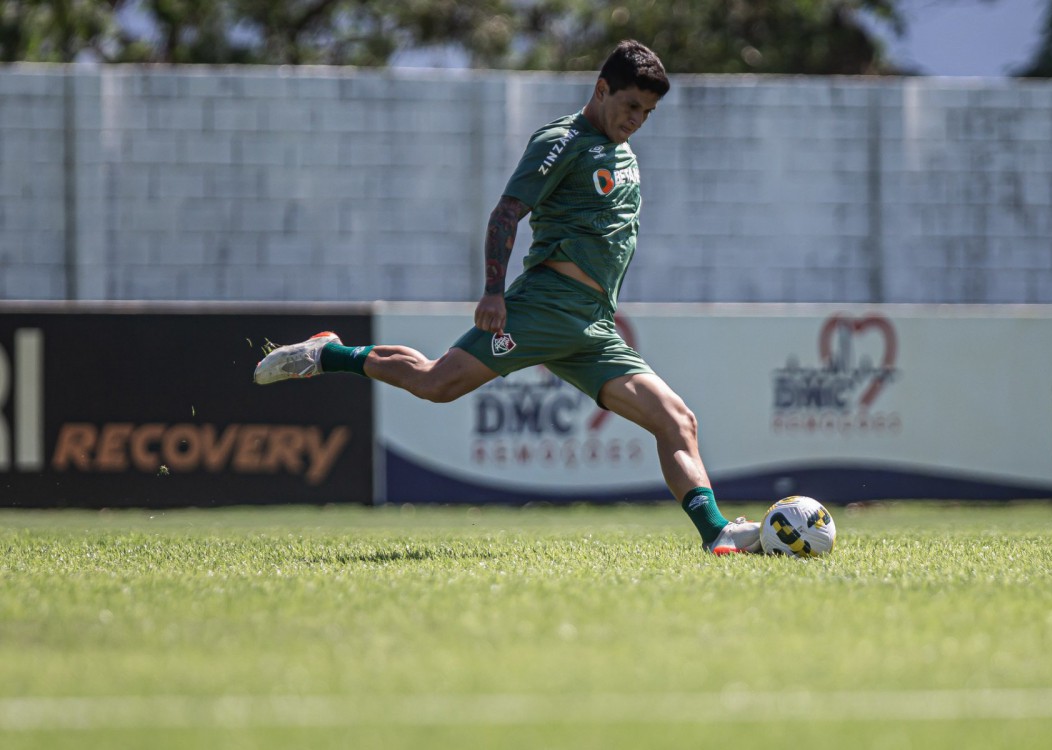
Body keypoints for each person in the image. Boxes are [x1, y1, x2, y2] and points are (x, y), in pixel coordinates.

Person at [255, 40, 762, 555]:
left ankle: (716, 533)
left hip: (593, 325)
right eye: (631, 106)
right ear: (601, 89)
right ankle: (330, 353)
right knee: (436, 384)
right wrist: (493, 292)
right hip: (543, 307)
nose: (638, 119)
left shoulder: (620, 149)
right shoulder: (561, 141)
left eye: (648, 112)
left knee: (677, 420)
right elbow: (505, 214)